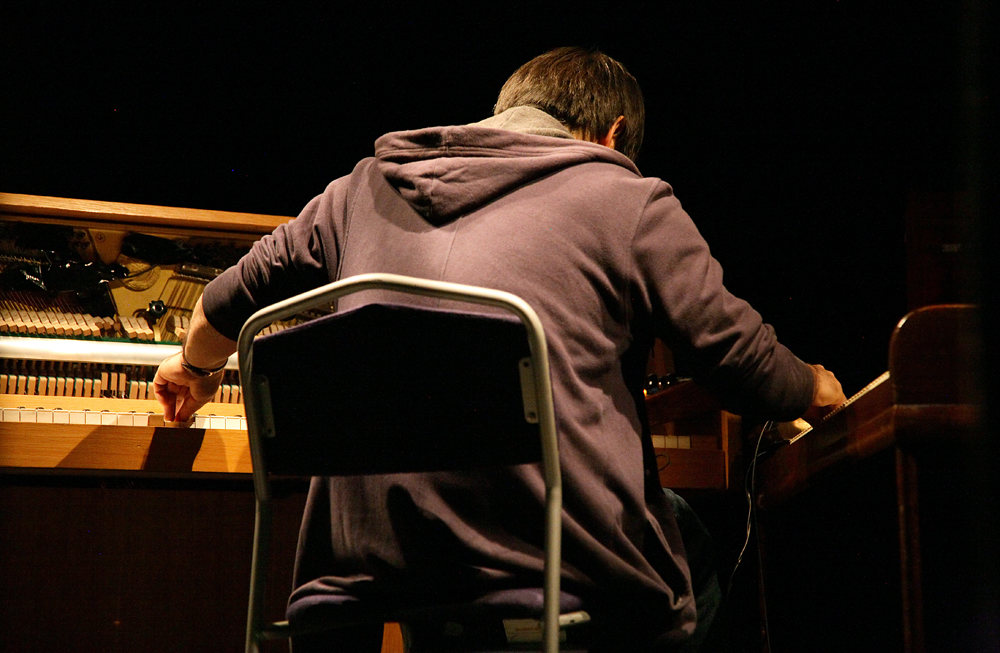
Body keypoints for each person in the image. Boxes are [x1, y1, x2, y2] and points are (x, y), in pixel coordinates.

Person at [154, 47, 846, 651]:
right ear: (615, 134)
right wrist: (812, 386)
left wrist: (195, 367)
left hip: (359, 572)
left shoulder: (361, 188)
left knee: (451, 574)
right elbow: (737, 355)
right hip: (544, 565)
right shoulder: (624, 195)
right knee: (685, 539)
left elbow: (223, 301)